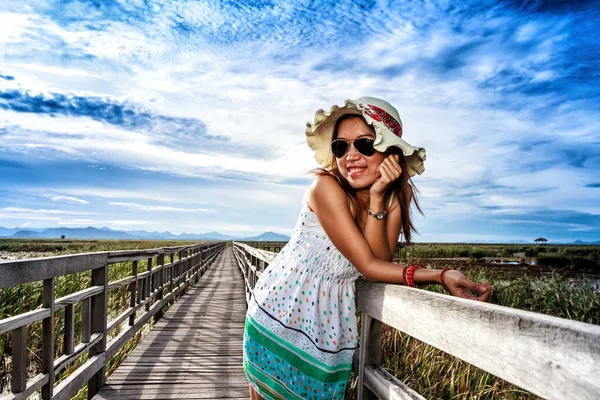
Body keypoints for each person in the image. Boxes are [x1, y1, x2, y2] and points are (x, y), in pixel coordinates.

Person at [243, 96, 491, 400]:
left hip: (327, 333)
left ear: (390, 153)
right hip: (278, 316)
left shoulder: (391, 201)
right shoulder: (325, 188)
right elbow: (369, 266)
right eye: (341, 147)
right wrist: (440, 275)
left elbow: (379, 264)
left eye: (364, 144)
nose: (350, 155)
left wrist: (377, 198)